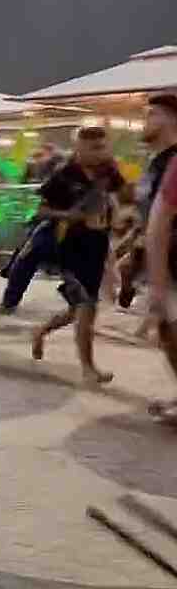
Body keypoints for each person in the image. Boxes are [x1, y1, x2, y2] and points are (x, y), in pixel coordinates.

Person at [29, 127, 125, 384]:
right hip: (69, 247)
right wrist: (68, 216)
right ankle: (88, 368)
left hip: (97, 244)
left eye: (103, 146)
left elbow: (120, 197)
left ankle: (40, 331)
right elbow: (41, 210)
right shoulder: (63, 175)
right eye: (94, 148)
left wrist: (119, 217)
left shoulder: (108, 171)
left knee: (77, 309)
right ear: (79, 148)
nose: (101, 152)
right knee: (87, 307)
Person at [140, 95, 177, 419]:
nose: (144, 121)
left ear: (167, 119)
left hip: (172, 262)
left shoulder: (173, 161)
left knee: (169, 329)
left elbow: (160, 223)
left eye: (150, 115)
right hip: (166, 261)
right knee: (167, 331)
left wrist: (158, 284)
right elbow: (149, 220)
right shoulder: (156, 163)